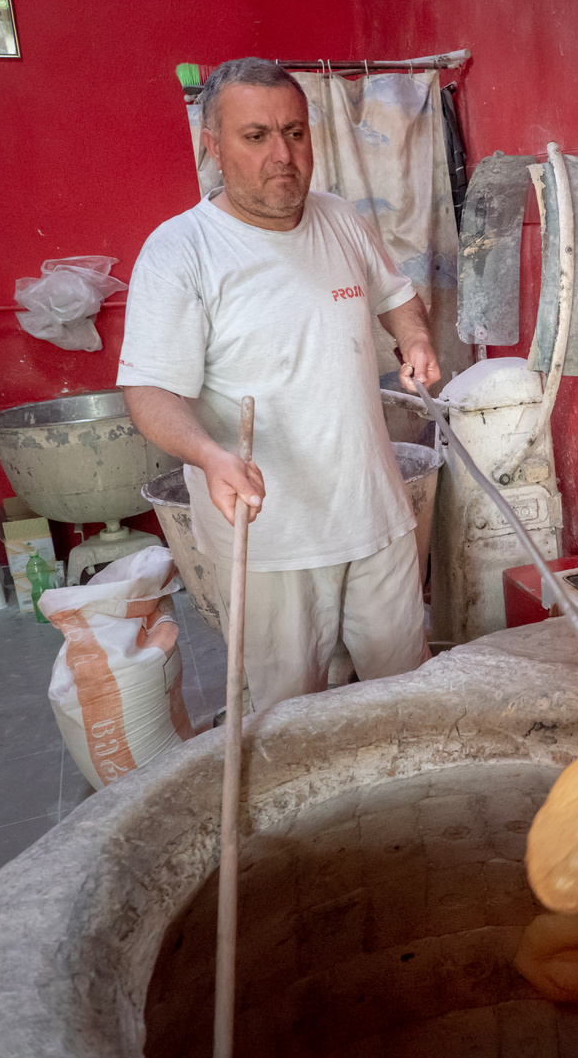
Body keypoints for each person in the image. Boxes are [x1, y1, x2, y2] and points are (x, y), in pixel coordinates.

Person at [118, 57, 441, 714]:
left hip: (374, 514)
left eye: (295, 133)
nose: (283, 155)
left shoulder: (341, 218)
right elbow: (150, 392)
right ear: (213, 146)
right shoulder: (181, 251)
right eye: (256, 136)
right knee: (284, 713)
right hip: (268, 537)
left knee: (406, 698)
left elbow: (398, 295)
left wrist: (416, 338)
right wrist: (209, 455)